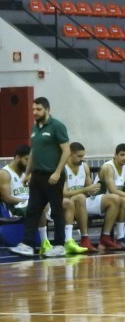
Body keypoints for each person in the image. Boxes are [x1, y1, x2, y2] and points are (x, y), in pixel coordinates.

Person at [10, 97, 71, 258]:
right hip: (37, 177)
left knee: (57, 211)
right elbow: (33, 153)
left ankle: (59, 245)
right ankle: (27, 244)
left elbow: (66, 151)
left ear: (47, 110)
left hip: (52, 176)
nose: (35, 112)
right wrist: (27, 173)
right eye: (33, 110)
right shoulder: (35, 128)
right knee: (32, 210)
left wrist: (57, 172)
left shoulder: (57, 126)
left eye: (38, 109)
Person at [63, 142, 125, 252]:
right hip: (67, 202)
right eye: (79, 156)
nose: (82, 159)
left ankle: (105, 237)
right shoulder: (63, 168)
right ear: (70, 154)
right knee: (80, 197)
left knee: (115, 198)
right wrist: (85, 190)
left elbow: (89, 189)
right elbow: (64, 193)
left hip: (83, 201)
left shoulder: (84, 166)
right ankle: (84, 238)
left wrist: (95, 189)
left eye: (83, 156)